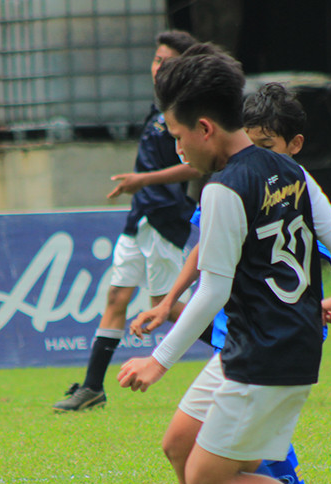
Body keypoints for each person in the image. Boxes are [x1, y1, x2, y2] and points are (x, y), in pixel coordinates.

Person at [117, 50, 331, 484]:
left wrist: (158, 360)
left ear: (205, 128)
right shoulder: (291, 170)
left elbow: (214, 291)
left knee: (209, 478)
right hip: (264, 343)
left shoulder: (223, 189)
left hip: (267, 352)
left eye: (178, 136)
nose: (177, 149)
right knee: (181, 443)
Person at [52, 30, 201, 412]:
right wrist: (135, 188)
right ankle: (92, 388)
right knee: (117, 296)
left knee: (166, 307)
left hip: (165, 217)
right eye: (156, 60)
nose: (158, 67)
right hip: (140, 217)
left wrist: (141, 181)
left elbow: (194, 167)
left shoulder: (189, 109)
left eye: (166, 62)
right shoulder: (159, 108)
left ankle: (241, 347)